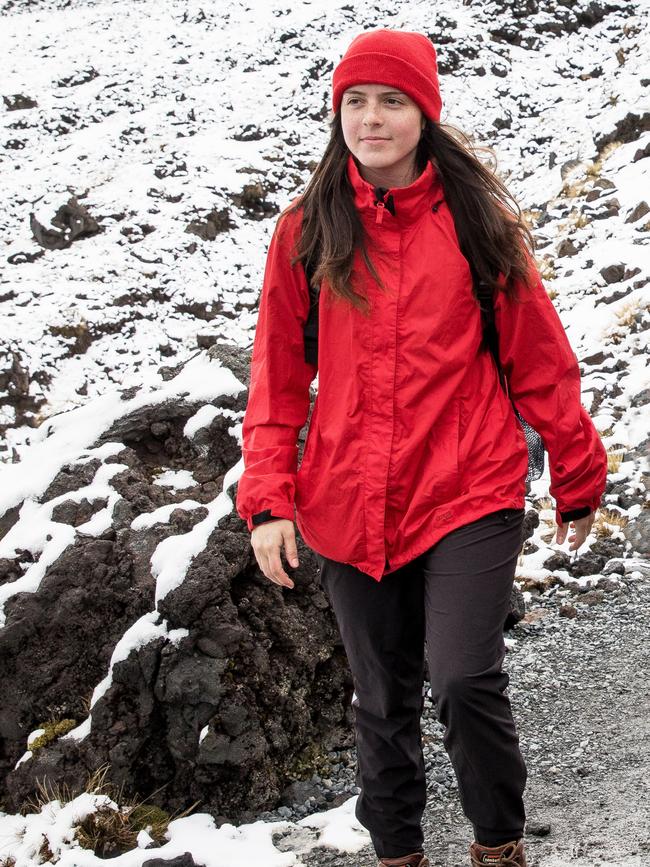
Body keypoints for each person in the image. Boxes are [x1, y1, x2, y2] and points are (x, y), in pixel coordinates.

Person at [235, 28, 608, 867]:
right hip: (347, 497)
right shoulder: (307, 229)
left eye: (392, 101)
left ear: (424, 114)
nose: (372, 118)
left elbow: (540, 361)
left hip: (468, 485)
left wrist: (577, 472)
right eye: (356, 102)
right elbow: (277, 379)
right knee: (381, 700)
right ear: (339, 113)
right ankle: (398, 855)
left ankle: (497, 846)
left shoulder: (478, 223)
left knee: (465, 678)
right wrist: (268, 497)